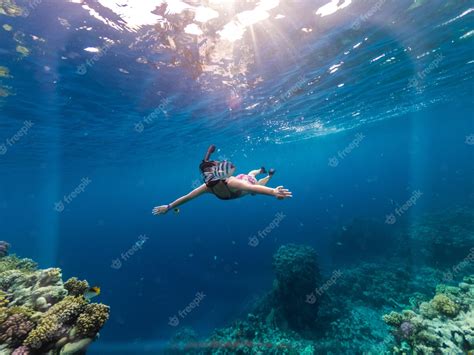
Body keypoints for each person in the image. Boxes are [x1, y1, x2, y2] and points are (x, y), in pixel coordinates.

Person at [152, 145, 292, 215]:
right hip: (241, 179)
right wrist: (168, 207)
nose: (207, 177)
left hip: (245, 182)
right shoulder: (207, 187)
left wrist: (273, 191)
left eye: (209, 174)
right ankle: (261, 171)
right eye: (205, 175)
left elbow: (253, 188)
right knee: (250, 173)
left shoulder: (230, 182)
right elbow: (187, 197)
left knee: (253, 181)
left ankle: (268, 176)